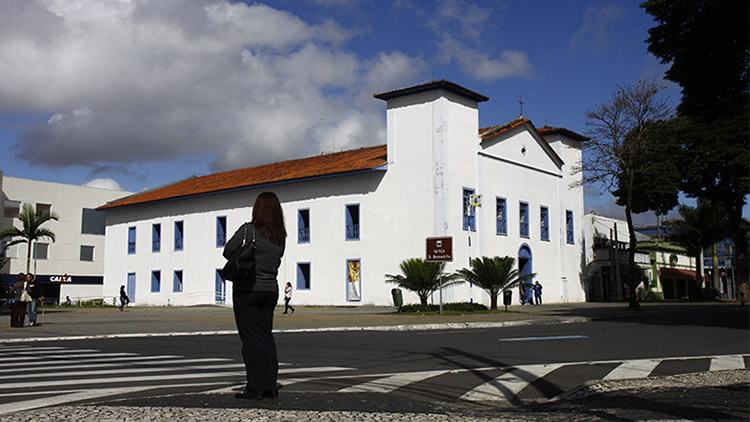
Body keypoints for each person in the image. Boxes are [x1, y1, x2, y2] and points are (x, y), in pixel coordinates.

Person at [225, 192, 286, 401]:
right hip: (271, 290)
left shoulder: (248, 230)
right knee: (266, 336)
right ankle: (270, 386)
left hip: (247, 289)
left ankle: (254, 387)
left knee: (250, 339)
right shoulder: (280, 235)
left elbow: (227, 251)